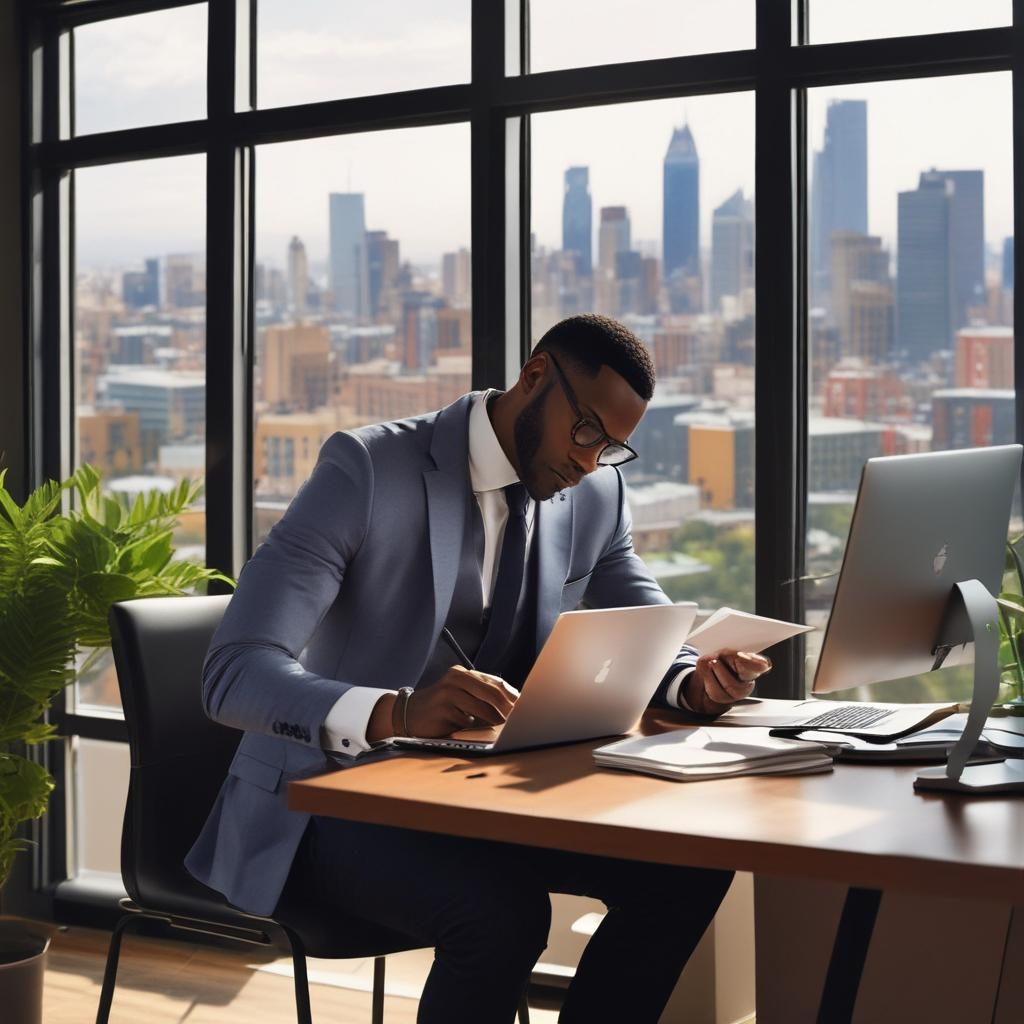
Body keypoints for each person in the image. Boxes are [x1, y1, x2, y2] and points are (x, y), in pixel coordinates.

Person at [186, 313, 771, 1023]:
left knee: (686, 871)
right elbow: (234, 673)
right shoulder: (366, 470)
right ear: (534, 379)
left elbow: (646, 624)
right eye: (586, 431)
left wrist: (690, 679)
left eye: (614, 447)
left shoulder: (591, 494)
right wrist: (394, 711)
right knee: (500, 915)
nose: (591, 461)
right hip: (324, 806)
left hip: (481, 803)